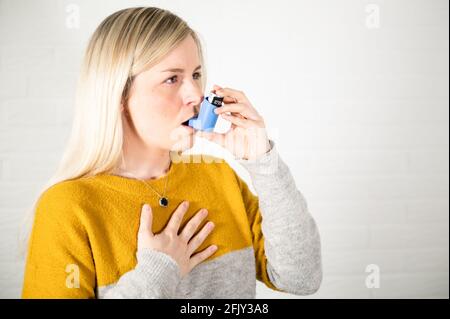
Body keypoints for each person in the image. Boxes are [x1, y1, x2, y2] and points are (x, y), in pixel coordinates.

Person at [21, 6, 322, 298]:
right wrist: (158, 272)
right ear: (119, 94)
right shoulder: (67, 208)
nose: (195, 95)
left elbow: (301, 278)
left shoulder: (221, 178)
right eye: (172, 79)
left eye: (196, 75)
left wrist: (263, 162)